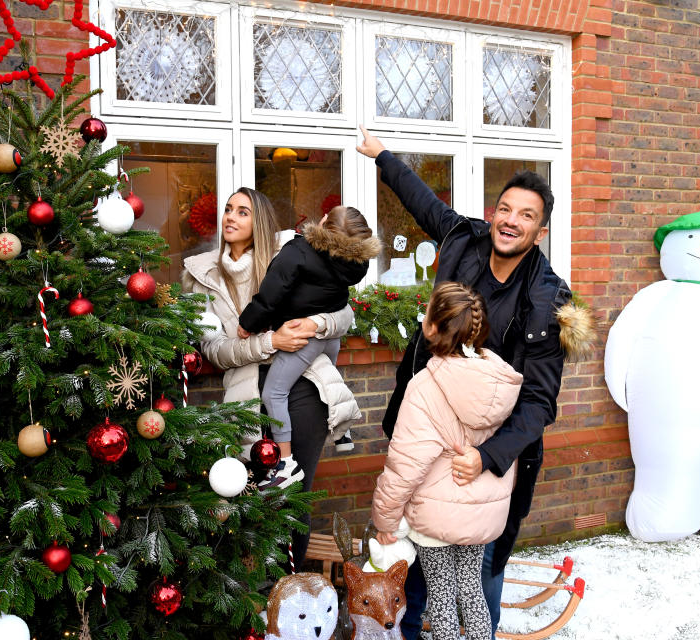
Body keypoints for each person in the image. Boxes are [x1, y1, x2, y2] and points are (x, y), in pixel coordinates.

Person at [357, 127, 571, 639]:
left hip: (490, 458)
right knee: (417, 557)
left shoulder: (547, 300)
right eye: (505, 209)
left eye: (526, 216)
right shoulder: (463, 239)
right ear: (493, 212)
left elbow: (541, 400)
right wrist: (384, 155)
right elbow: (424, 204)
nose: (510, 221)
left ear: (540, 232)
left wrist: (490, 455)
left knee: (481, 571)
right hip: (427, 429)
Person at [181, 187, 360, 569]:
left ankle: (292, 592)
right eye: (228, 209)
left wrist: (316, 322)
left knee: (293, 495)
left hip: (306, 388)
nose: (230, 217)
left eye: (242, 212)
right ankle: (253, 597)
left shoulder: (290, 253)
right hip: (246, 396)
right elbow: (214, 349)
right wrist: (269, 342)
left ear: (258, 221)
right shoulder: (200, 276)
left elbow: (343, 312)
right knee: (244, 495)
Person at [371, 282, 523, 640]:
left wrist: (385, 518)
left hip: (436, 513)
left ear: (432, 327)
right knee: (470, 589)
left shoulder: (426, 385)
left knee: (440, 595)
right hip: (482, 510)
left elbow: (406, 464)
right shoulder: (498, 379)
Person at [236, 206, 381, 489]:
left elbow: (270, 294)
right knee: (330, 380)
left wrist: (248, 323)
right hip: (330, 335)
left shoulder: (299, 251)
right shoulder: (355, 262)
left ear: (324, 221)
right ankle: (343, 434)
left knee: (274, 392)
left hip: (303, 337)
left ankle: (286, 464)